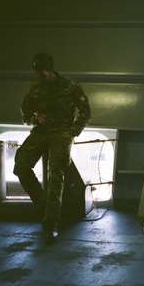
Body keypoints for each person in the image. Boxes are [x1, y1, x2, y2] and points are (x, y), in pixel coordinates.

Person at [13, 53, 91, 243]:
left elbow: (85, 111)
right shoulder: (35, 89)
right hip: (41, 131)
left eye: (42, 72)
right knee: (20, 166)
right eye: (37, 73)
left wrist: (74, 131)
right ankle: (42, 204)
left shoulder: (69, 86)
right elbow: (25, 113)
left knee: (56, 175)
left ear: (50, 70)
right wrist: (34, 119)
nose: (40, 76)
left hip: (62, 133)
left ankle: (51, 223)